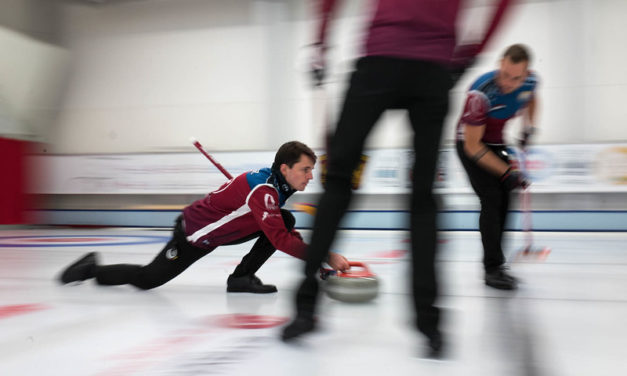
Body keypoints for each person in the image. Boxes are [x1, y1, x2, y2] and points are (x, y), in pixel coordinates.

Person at [281, 0, 516, 358]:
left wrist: (321, 43)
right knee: (423, 195)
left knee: (340, 182)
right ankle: (430, 324)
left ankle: (306, 307)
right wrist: (472, 50)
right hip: (433, 68)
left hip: (380, 61)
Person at [58, 141, 350, 292]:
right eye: (305, 169)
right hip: (192, 236)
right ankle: (91, 269)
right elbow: (280, 240)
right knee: (148, 278)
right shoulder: (264, 189)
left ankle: (241, 279)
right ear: (285, 168)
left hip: (216, 236)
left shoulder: (273, 185)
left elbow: (280, 231)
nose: (311, 176)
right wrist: (324, 255)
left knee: (285, 221)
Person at [455, 44, 537, 290]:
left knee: (507, 197)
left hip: (497, 142)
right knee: (491, 197)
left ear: (526, 74)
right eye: (505, 75)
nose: (509, 83)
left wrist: (529, 127)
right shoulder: (480, 94)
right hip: (471, 145)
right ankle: (491, 270)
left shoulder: (530, 82)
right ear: (499, 65)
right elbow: (473, 146)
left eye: (516, 78)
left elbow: (532, 99)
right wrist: (507, 172)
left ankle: (498, 264)